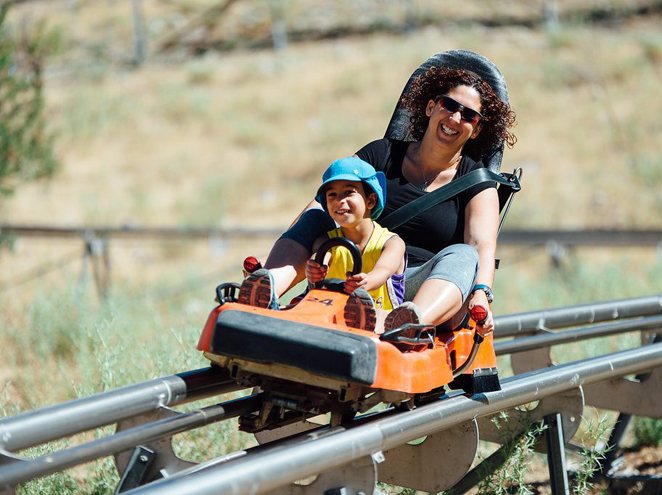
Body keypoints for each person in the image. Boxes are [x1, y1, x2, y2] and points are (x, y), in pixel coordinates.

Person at [258, 66, 517, 334]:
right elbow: (320, 203)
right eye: (448, 105)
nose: (455, 117)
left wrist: (481, 295)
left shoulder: (477, 181)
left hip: (418, 284)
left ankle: (407, 323)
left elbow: (481, 244)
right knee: (317, 214)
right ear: (431, 107)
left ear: (475, 130)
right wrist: (279, 254)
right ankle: (268, 286)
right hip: (356, 271)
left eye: (468, 115)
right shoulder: (380, 154)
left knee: (465, 255)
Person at [304, 157, 406, 330]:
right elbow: (321, 256)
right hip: (331, 317)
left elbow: (383, 270)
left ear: (371, 201)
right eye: (332, 195)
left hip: (381, 322)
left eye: (348, 192)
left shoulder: (392, 243)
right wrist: (314, 269)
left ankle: (365, 316)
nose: (339, 200)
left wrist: (367, 281)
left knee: (379, 317)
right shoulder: (326, 241)